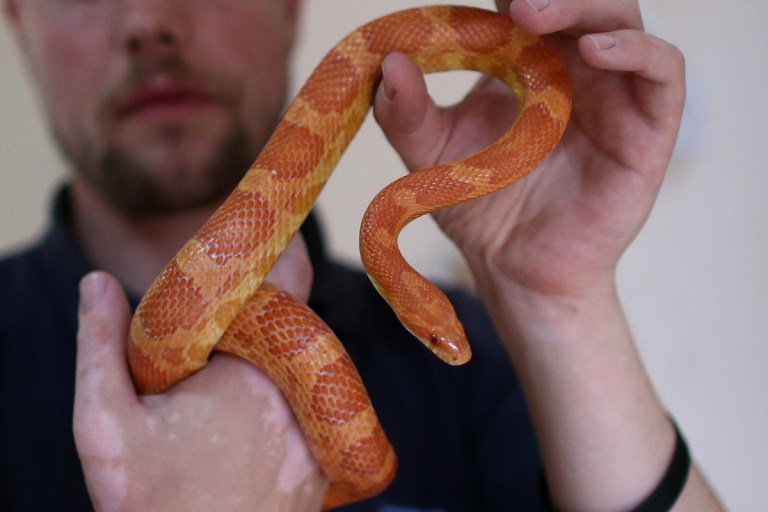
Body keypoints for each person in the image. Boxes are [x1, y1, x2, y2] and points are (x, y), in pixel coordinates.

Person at [0, 0, 725, 510]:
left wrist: (557, 302)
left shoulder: (479, 361)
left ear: (290, 7)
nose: (149, 20)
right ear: (14, 18)